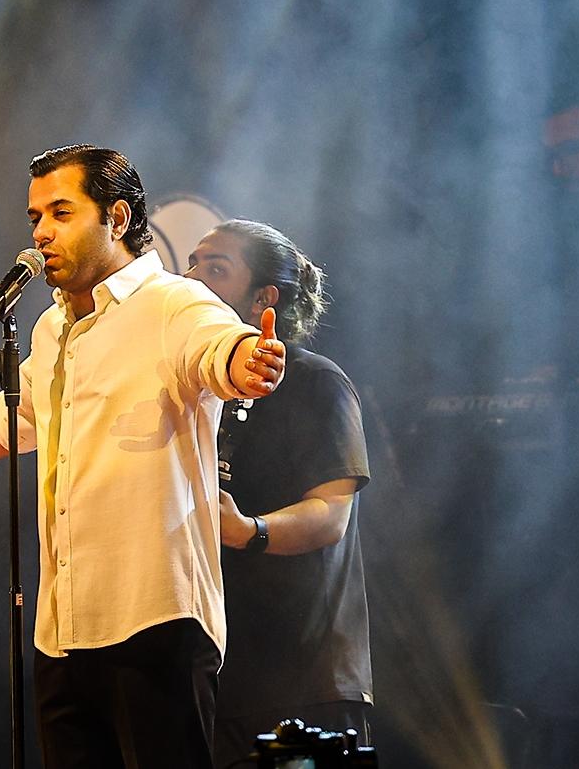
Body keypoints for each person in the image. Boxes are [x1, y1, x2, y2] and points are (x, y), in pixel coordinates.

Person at [0, 144, 286, 769]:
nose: (41, 232)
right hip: (63, 632)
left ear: (118, 218)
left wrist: (248, 362)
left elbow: (219, 350)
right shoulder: (52, 328)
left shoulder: (174, 304)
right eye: (35, 217)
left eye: (61, 212)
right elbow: (18, 419)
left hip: (155, 621)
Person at [183, 220, 374, 763]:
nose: (191, 279)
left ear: (264, 298)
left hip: (304, 683)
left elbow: (330, 513)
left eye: (215, 268)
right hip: (215, 674)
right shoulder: (195, 391)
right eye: (192, 263)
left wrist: (249, 531)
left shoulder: (316, 381)